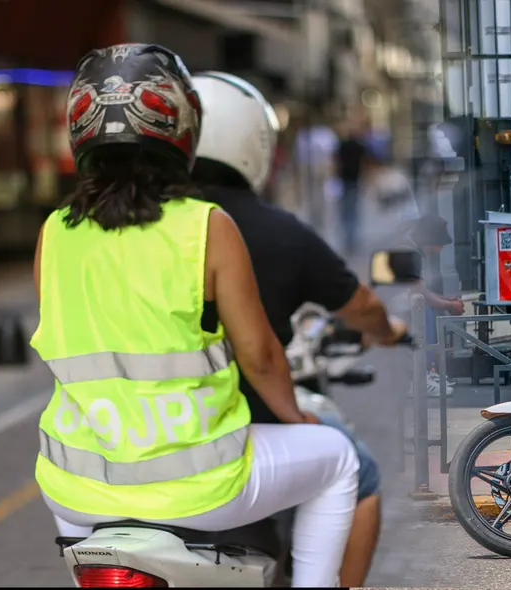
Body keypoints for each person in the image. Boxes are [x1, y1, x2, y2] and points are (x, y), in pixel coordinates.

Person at [30, 44, 358, 588]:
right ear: (182, 127)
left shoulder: (53, 232)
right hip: (202, 485)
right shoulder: (207, 225)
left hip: (73, 488)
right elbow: (259, 354)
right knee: (339, 458)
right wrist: (296, 418)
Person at [191, 71, 405, 587]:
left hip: (126, 445)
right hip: (244, 432)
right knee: (358, 471)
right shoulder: (270, 229)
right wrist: (387, 331)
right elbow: (266, 353)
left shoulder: (138, 228)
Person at [405, 214, 465, 396]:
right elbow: (420, 293)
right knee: (425, 312)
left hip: (404, 303)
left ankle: (427, 371)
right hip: (398, 307)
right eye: (439, 244)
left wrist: (446, 300)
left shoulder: (414, 251)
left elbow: (421, 290)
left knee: (427, 309)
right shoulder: (410, 252)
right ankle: (420, 377)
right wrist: (449, 304)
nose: (439, 250)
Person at [336, 117, 371, 256]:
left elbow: (337, 161)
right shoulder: (358, 146)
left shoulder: (344, 145)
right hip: (353, 180)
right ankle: (351, 238)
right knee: (353, 210)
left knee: (347, 210)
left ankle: (349, 238)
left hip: (346, 180)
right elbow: (365, 162)